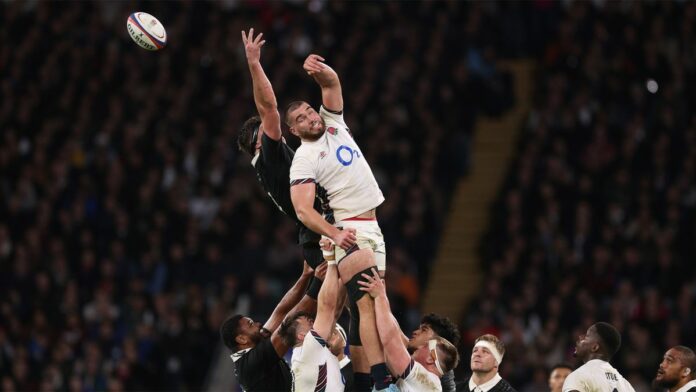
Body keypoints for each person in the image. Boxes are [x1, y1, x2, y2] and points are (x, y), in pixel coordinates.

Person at [288, 54, 388, 390]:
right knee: (369, 301)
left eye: (309, 112)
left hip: (374, 226)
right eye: (301, 119)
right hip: (351, 228)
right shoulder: (303, 159)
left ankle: (362, 382)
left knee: (367, 309)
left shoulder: (333, 122)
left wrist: (321, 72)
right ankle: (380, 378)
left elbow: (332, 84)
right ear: (294, 130)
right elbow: (303, 210)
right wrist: (334, 233)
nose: (309, 118)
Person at [237, 28, 325, 277]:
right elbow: (269, 108)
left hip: (313, 234)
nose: (273, 130)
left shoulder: (269, 165)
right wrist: (254, 63)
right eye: (264, 130)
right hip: (318, 234)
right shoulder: (268, 158)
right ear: (258, 143)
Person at [219, 262, 322, 392]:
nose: (258, 324)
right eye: (251, 325)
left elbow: (282, 311)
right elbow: (290, 325)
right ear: (242, 339)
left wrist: (305, 275)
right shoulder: (251, 365)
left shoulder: (254, 347)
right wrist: (318, 281)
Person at [359, 268, 459, 391]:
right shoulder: (427, 369)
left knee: (380, 374)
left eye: (424, 330)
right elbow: (394, 332)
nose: (415, 332)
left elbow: (391, 340)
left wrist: (380, 296)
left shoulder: (432, 383)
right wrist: (382, 297)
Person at [278, 240, 346, 391]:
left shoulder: (309, 353)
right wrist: (331, 260)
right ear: (301, 336)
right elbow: (327, 308)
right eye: (308, 321)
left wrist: (345, 275)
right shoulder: (307, 350)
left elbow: (334, 312)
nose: (313, 321)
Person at [562, 322, 635, 392]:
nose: (580, 337)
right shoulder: (626, 385)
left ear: (594, 347)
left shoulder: (578, 376)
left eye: (586, 336)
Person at [406, 313, 462, 392]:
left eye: (424, 330)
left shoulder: (444, 382)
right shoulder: (412, 353)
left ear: (439, 341)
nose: (415, 332)